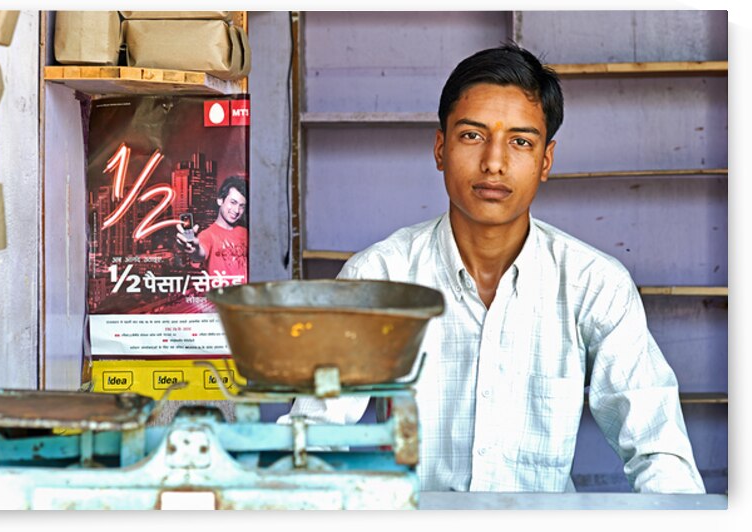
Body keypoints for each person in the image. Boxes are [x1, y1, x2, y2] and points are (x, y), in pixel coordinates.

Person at [282, 43, 706, 494]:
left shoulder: (594, 284)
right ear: (440, 148)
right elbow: (314, 437)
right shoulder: (380, 276)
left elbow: (659, 451)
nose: (494, 162)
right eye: (472, 135)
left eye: (520, 142)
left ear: (545, 161)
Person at [176, 175, 248, 281]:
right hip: (221, 297)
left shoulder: (245, 232)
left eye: (242, 206)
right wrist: (193, 250)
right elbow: (199, 254)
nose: (237, 210)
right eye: (233, 202)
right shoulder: (207, 235)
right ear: (220, 200)